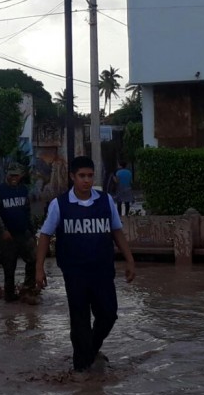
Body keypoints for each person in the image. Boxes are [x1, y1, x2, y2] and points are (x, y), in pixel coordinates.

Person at [35, 156, 136, 372]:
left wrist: (130, 260)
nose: (86, 180)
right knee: (79, 319)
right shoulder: (59, 204)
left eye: (90, 176)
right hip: (74, 272)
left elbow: (116, 231)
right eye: (82, 176)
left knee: (108, 314)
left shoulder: (105, 200)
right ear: (73, 177)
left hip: (102, 270)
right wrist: (39, 268)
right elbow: (45, 235)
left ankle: (90, 350)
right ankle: (81, 371)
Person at [0, 163, 36, 302]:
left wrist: (32, 232)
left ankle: (28, 289)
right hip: (7, 236)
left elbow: (28, 211)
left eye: (17, 175)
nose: (14, 177)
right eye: (12, 175)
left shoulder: (24, 190)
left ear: (21, 175)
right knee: (9, 267)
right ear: (7, 175)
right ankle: (9, 296)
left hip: (23, 233)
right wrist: (3, 230)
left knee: (33, 259)